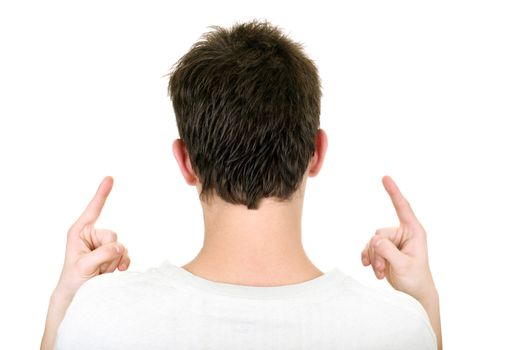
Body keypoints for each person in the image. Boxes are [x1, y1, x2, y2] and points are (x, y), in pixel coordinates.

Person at [41, 20, 442, 350]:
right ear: (316, 152)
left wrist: (66, 304)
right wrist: (425, 304)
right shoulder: (395, 330)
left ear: (185, 161)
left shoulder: (103, 321)